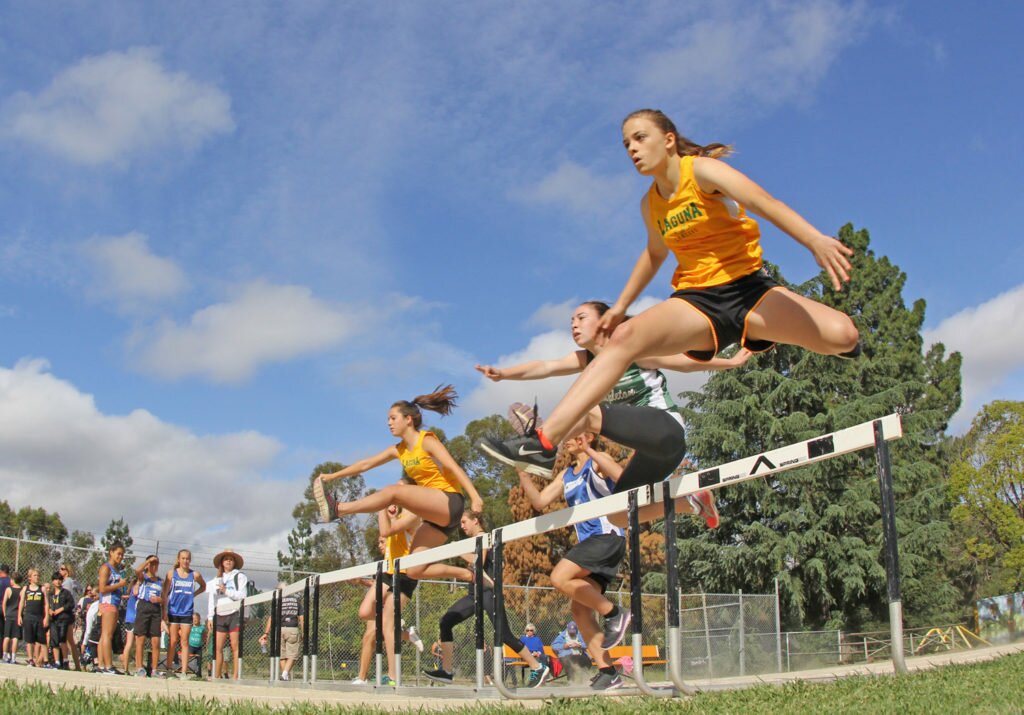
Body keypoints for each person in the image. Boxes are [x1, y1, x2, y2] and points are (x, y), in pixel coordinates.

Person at [479, 108, 860, 479]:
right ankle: (543, 444)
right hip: (698, 301)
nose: (632, 149)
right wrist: (622, 307)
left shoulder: (704, 171)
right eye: (626, 143)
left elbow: (764, 202)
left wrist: (813, 239)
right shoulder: (651, 203)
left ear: (669, 139)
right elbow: (655, 253)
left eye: (640, 138)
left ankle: (766, 330)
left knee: (844, 337)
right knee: (624, 337)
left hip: (749, 290)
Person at [477, 300, 750, 527]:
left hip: (666, 429)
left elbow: (685, 363)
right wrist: (504, 373)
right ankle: (692, 502)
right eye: (571, 320)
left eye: (581, 317)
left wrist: (731, 361)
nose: (573, 324)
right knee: (618, 514)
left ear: (604, 322)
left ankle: (542, 444)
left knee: (585, 411)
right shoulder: (588, 360)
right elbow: (546, 366)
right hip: (656, 454)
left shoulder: (632, 351)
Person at [312, 385, 486, 586]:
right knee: (413, 568)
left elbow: (454, 467)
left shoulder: (426, 441)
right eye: (388, 419)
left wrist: (475, 496)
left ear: (408, 419)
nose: (389, 423)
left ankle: (339, 509)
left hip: (450, 501)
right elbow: (366, 464)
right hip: (436, 517)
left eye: (393, 418)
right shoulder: (399, 450)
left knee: (393, 491)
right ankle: (469, 574)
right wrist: (334, 475)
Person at [515, 433, 627, 690]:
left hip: (606, 537)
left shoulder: (597, 461)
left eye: (572, 436)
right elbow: (540, 501)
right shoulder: (566, 474)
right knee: (579, 611)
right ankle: (608, 671)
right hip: (591, 545)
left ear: (586, 437)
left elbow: (619, 475)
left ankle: (615, 613)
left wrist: (591, 450)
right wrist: (523, 474)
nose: (565, 440)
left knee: (559, 577)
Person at [423, 510, 549, 688]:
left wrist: (456, 550)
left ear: (476, 521)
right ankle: (447, 671)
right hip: (474, 595)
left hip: (489, 592)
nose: (462, 526)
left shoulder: (483, 537)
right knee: (446, 622)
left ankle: (537, 666)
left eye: (464, 521)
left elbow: (477, 563)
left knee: (504, 634)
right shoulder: (474, 542)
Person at [163, 549, 206, 680]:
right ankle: (169, 669)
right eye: (183, 558)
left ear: (190, 560)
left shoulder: (194, 575)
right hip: (173, 611)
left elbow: (203, 586)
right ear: (178, 559)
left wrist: (194, 594)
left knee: (184, 641)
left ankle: (184, 671)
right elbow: (165, 593)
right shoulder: (171, 574)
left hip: (187, 612)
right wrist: (164, 611)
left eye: (187, 558)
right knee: (173, 640)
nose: (185, 561)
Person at [207, 548, 247, 680]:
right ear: (222, 562)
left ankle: (236, 676)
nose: (228, 561)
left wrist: (227, 591)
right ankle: (216, 675)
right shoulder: (216, 579)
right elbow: (212, 598)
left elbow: (242, 595)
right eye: (226, 559)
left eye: (231, 559)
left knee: (235, 647)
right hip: (219, 614)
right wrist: (210, 617)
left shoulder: (239, 576)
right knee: (218, 647)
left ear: (234, 562)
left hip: (234, 613)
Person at [258, 581, 303, 682]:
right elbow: (301, 618)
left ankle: (284, 676)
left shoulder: (277, 601)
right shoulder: (296, 601)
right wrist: (303, 632)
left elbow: (271, 618)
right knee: (292, 655)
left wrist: (266, 633)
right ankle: (285, 674)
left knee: (281, 655)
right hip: (292, 629)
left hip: (279, 630)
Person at [96, 542, 129, 675]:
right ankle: (108, 666)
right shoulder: (106, 568)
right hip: (107, 602)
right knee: (107, 635)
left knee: (105, 635)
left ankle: (101, 664)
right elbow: (102, 588)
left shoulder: (117, 570)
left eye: (122, 554)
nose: (120, 557)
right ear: (111, 552)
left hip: (115, 602)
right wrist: (119, 585)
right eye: (118, 554)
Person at [132, 555, 164, 677]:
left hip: (155, 609)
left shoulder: (160, 581)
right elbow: (137, 571)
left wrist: (159, 599)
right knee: (140, 639)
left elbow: (164, 598)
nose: (154, 566)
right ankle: (139, 667)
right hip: (143, 607)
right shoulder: (143, 578)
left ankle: (154, 670)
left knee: (156, 640)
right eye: (152, 564)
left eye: (156, 564)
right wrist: (147, 562)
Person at [46, 572, 77, 670]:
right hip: (53, 620)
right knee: (54, 640)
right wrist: (49, 610)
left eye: (60, 579)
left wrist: (61, 609)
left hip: (63, 619)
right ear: (52, 581)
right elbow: (47, 605)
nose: (58, 581)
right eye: (56, 579)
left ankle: (65, 660)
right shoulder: (50, 594)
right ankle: (57, 662)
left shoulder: (66, 593)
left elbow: (71, 604)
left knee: (62, 640)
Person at [18, 568, 47, 668]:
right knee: (29, 640)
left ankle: (45, 661)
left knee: (42, 640)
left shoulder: (42, 589)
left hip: (39, 617)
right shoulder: (26, 589)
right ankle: (30, 659)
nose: (37, 577)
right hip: (28, 616)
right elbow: (21, 603)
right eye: (35, 575)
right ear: (30, 577)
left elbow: (46, 604)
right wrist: (19, 616)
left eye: (38, 575)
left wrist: (46, 616)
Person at [2, 572, 22, 664]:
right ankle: (13, 657)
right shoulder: (22, 590)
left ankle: (5, 656)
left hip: (9, 615)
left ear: (13, 580)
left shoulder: (8, 589)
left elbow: (4, 603)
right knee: (15, 637)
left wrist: (5, 614)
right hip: (17, 615)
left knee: (6, 636)